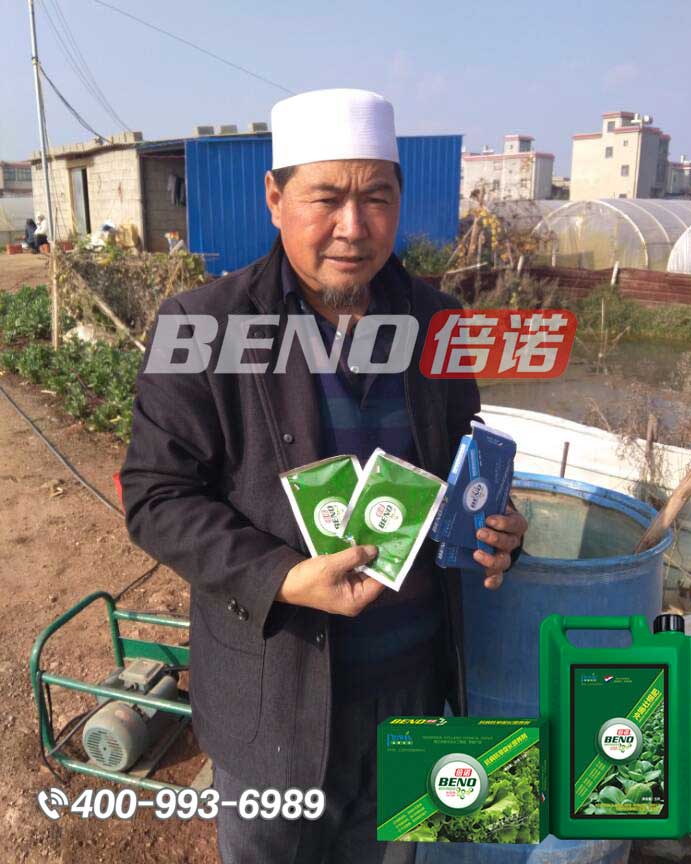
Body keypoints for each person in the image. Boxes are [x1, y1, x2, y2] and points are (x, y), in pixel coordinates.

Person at [120, 88, 528, 864]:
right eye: (327, 198)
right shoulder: (203, 325)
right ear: (275, 198)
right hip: (277, 698)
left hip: (414, 691)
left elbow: (464, 465)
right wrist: (280, 576)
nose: (354, 226)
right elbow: (156, 495)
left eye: (376, 197)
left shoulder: (438, 320)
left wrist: (497, 526)